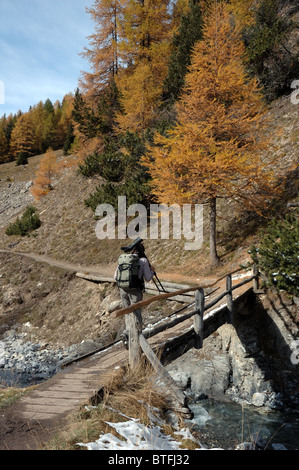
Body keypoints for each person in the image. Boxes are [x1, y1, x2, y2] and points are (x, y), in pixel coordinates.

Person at [114, 242, 155, 347]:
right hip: (135, 291)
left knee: (127, 312)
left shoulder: (123, 259)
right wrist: (152, 271)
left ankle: (128, 335)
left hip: (123, 289)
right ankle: (136, 339)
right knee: (136, 313)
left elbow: (115, 276)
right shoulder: (143, 261)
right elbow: (148, 278)